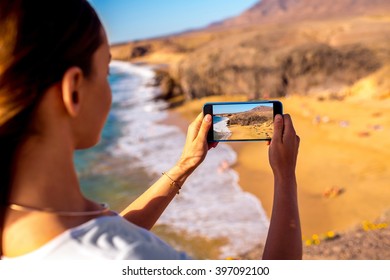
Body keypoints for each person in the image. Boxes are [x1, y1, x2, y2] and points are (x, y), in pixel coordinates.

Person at [0, 0, 301, 260]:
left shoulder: (16, 240)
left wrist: (184, 165)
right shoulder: (129, 258)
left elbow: (109, 231)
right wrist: (285, 175)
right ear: (74, 91)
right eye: (106, 72)